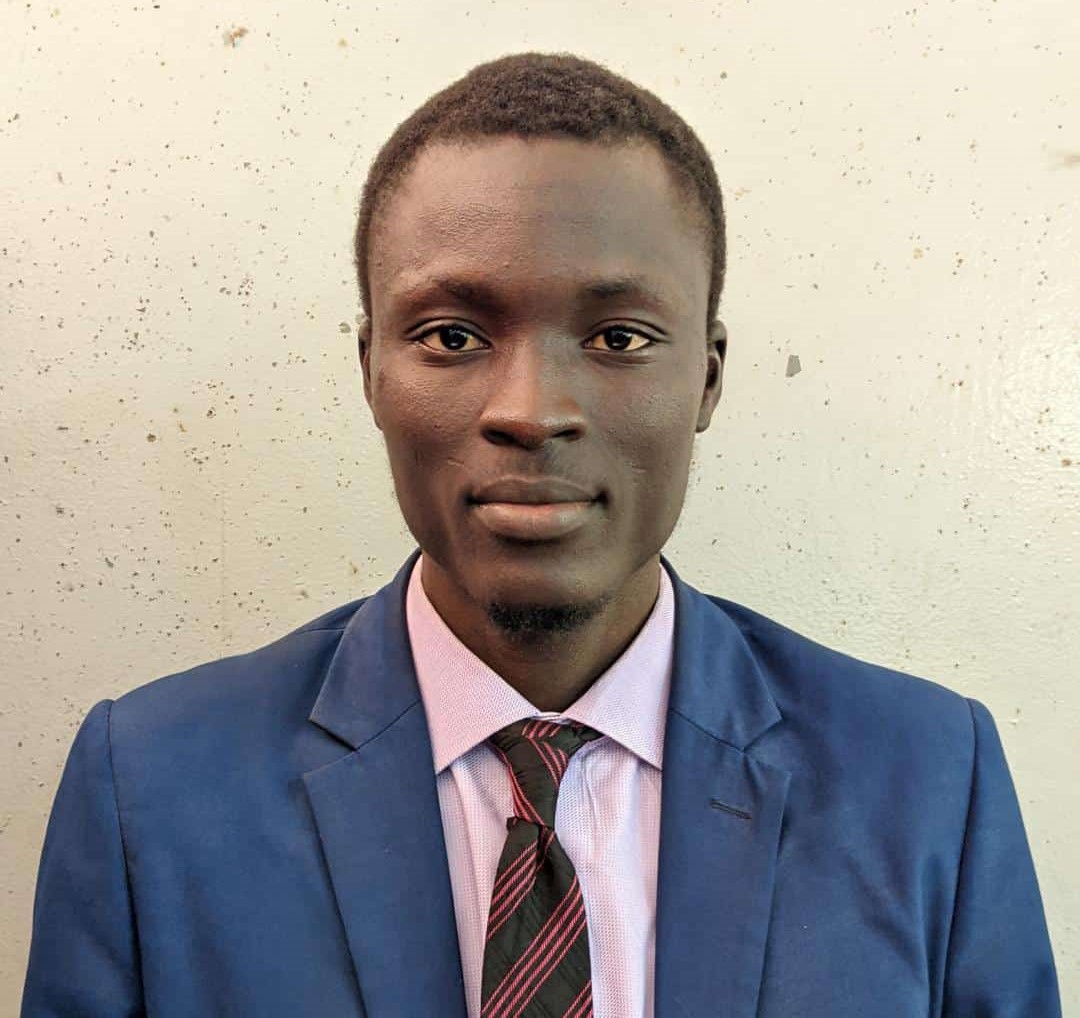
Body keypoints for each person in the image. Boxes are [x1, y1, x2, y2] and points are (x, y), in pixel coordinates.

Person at [21, 52, 1060, 1018]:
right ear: (371, 370)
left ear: (707, 376)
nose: (532, 409)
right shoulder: (150, 790)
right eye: (453, 335)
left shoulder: (928, 781)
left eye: (619, 336)